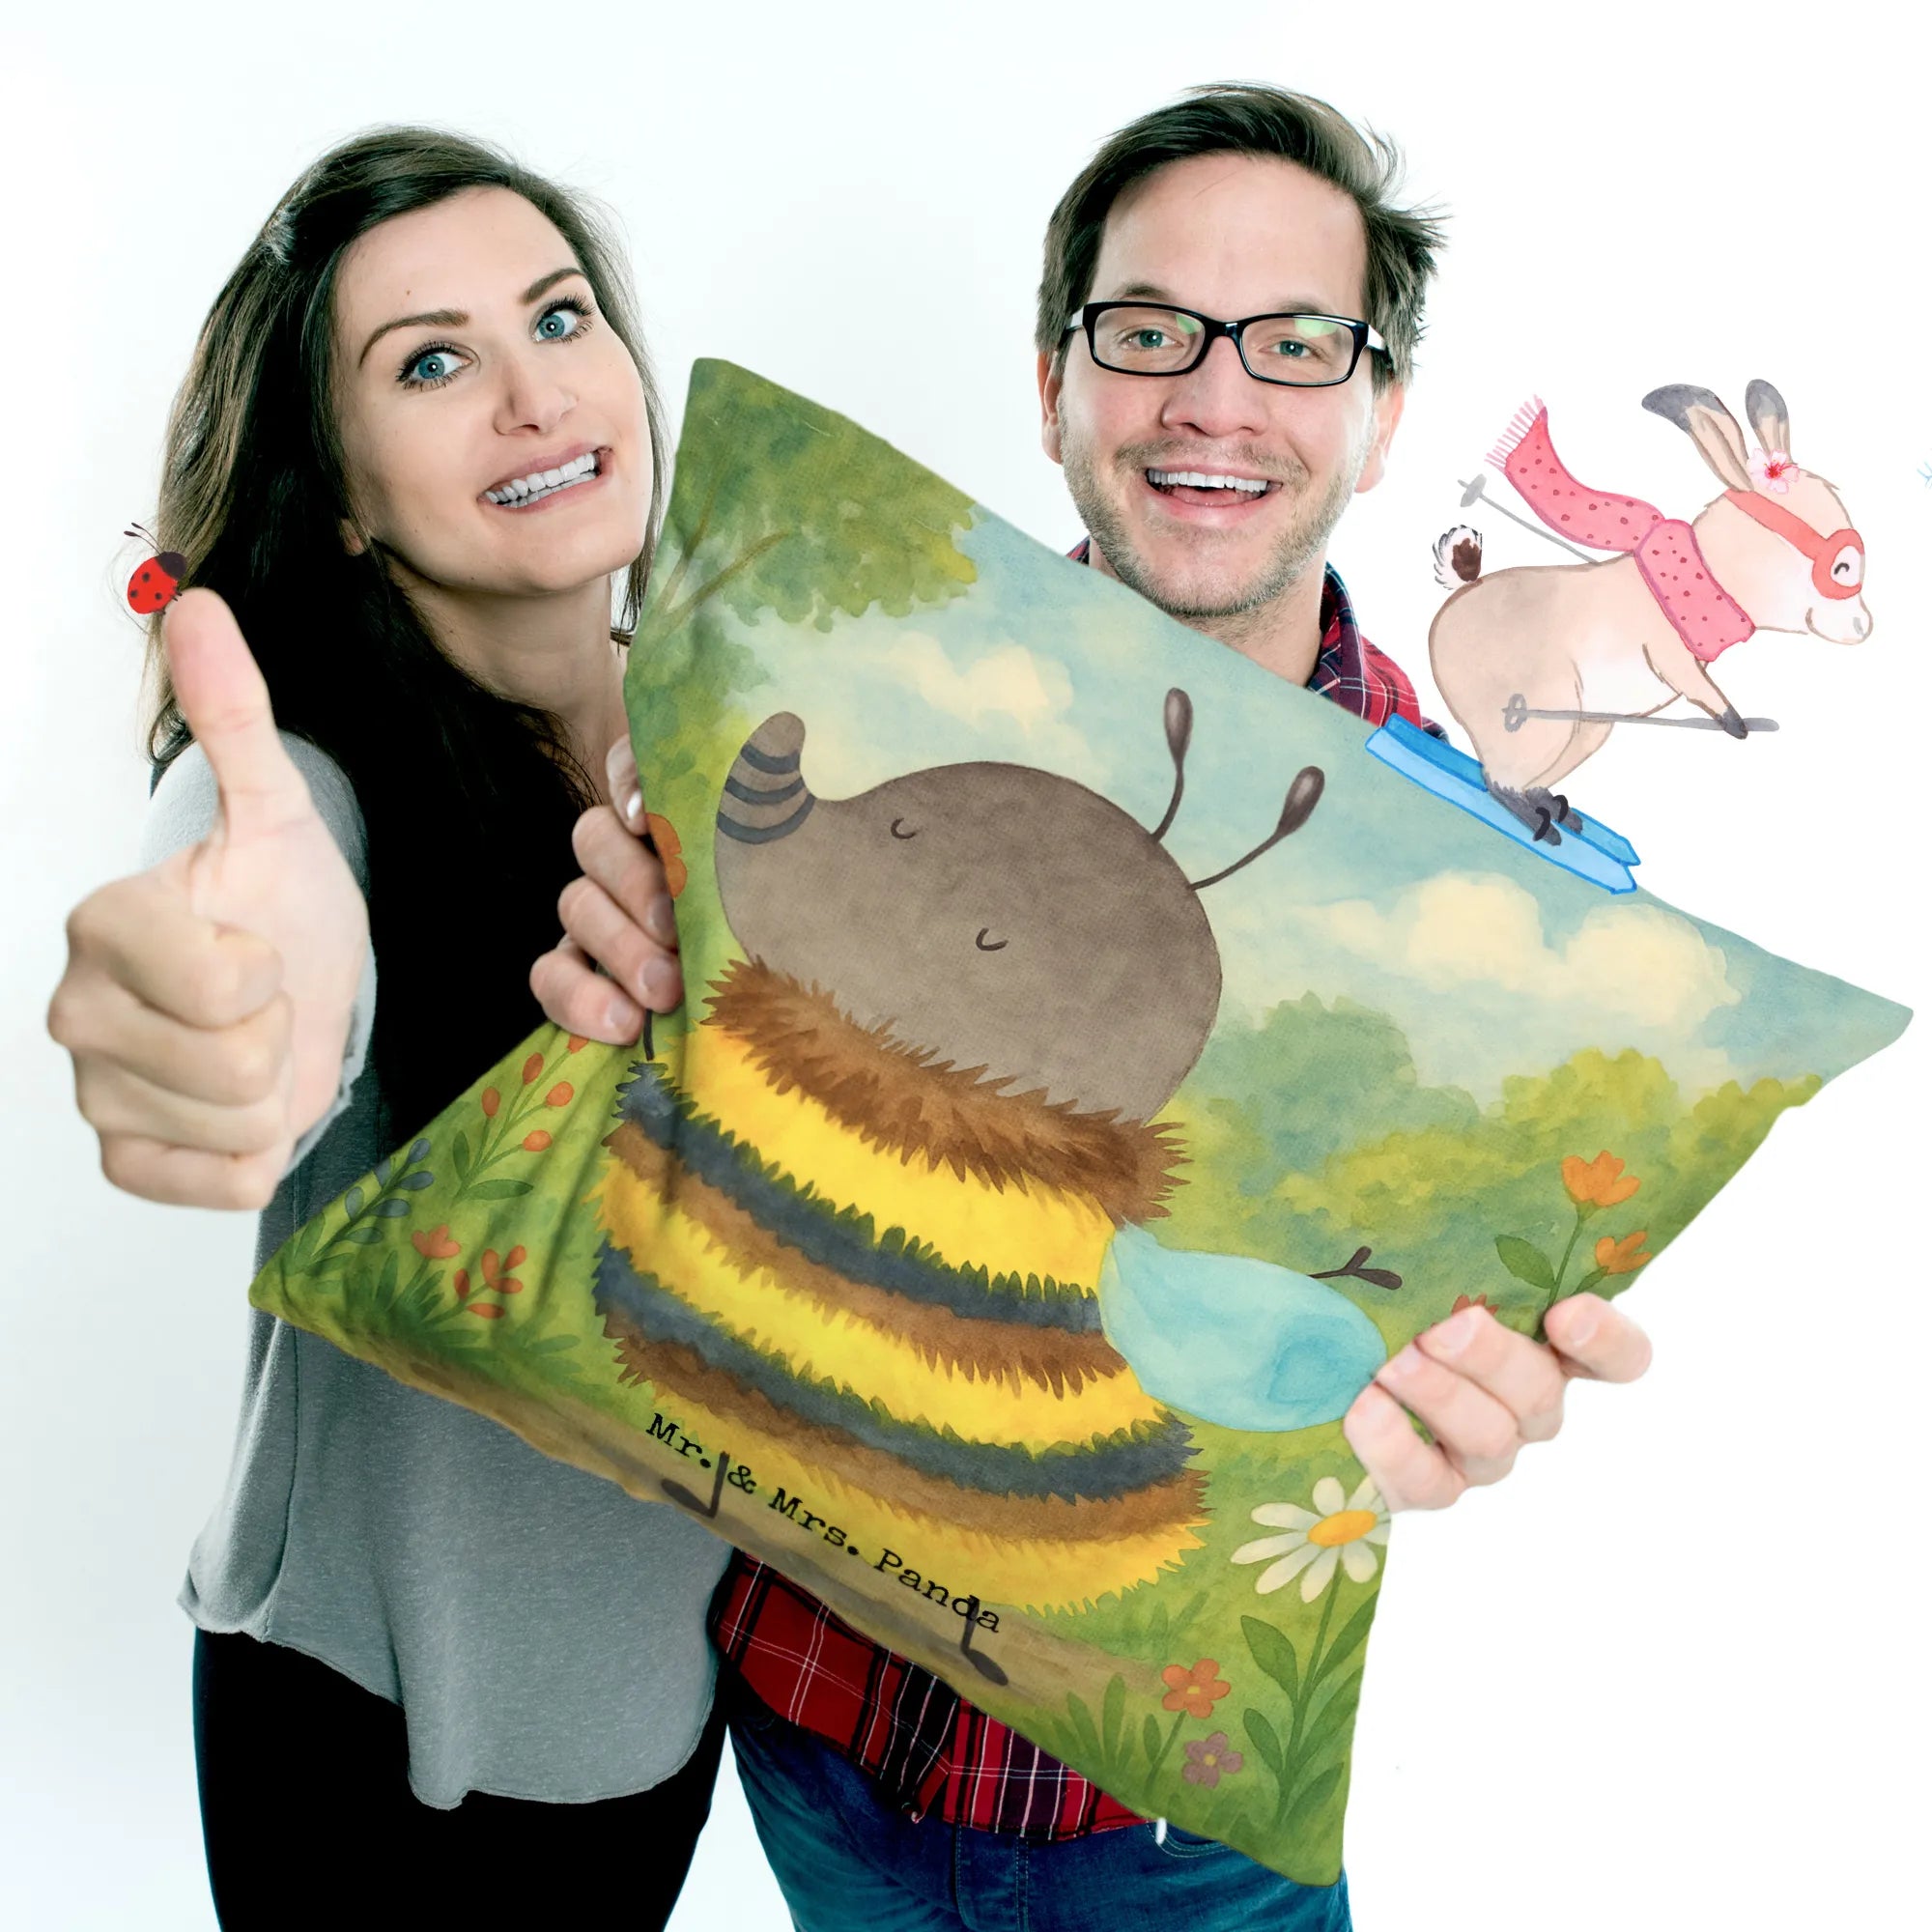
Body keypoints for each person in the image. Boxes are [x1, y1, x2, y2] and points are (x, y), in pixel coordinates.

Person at [533, 85, 1656, 1930]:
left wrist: (1472, 1387)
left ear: (1380, 418)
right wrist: (622, 996)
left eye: (1297, 343)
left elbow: (1380, 1334)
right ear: (1054, 384)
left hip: (1176, 1833)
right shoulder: (840, 693)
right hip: (804, 1734)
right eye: (1150, 332)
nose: (1216, 398)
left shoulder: (1491, 906)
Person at [44, 130, 731, 1928]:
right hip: (381, 1746)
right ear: (342, 496)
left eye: (559, 318)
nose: (532, 395)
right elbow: (254, 907)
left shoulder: (735, 738)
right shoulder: (309, 782)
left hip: (663, 1708)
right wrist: (222, 1002)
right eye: (431, 363)